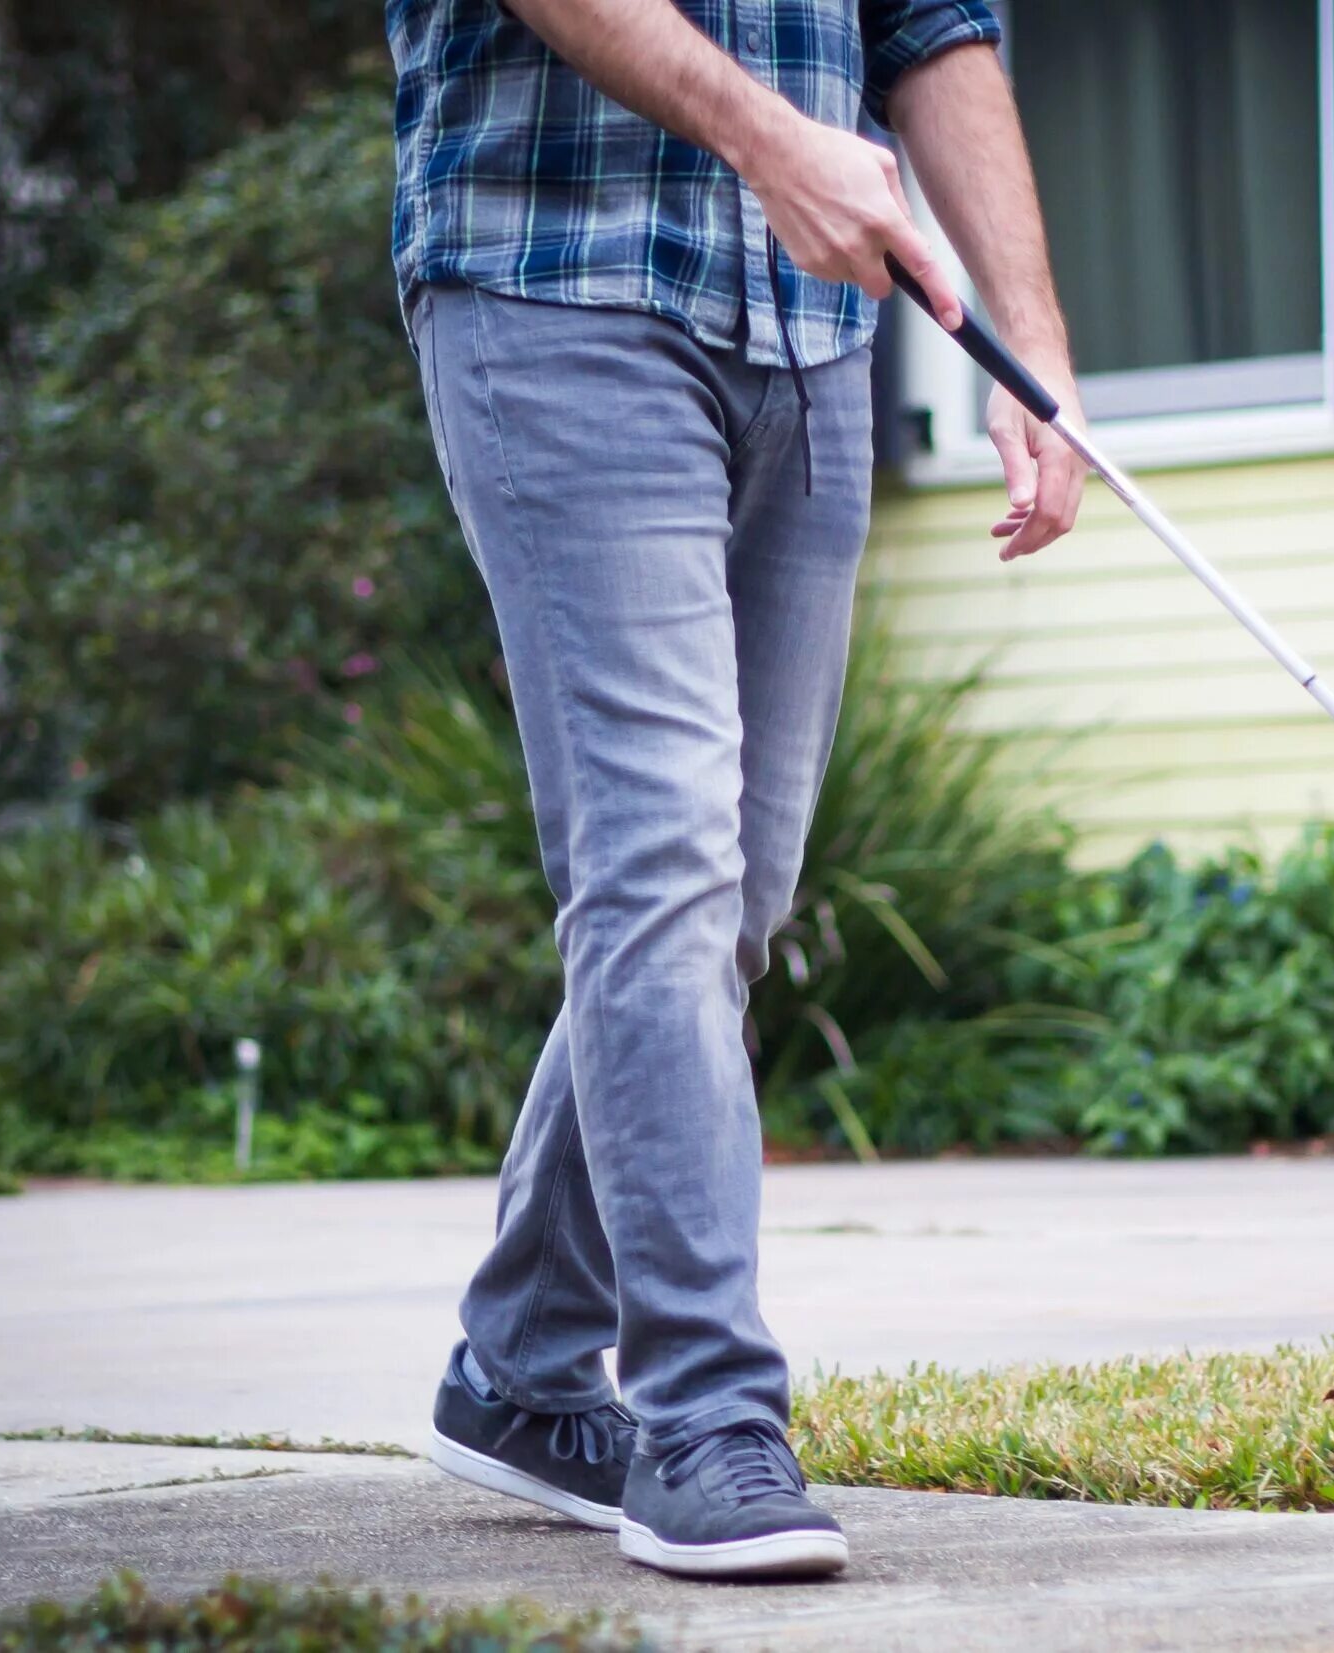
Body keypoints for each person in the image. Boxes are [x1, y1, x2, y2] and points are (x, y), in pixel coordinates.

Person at [387, 0, 1081, 1581]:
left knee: (734, 899)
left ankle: (517, 1358)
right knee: (663, 872)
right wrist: (772, 140)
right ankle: (703, 1413)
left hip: (813, 331)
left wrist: (1034, 348)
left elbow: (932, 22)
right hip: (555, 279)